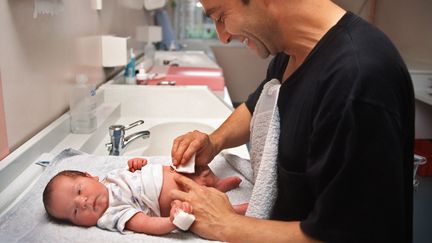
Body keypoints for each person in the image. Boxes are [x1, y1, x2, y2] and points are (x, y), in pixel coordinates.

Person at [169, 0, 414, 242]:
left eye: (221, 17)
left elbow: (345, 235)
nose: (223, 37)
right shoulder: (293, 52)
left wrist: (225, 224)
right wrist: (214, 141)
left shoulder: (356, 80)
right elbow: (258, 108)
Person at [42, 157, 246, 235]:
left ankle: (217, 185)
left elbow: (134, 175)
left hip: (177, 174)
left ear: (90, 176)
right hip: (178, 197)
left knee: (192, 162)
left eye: (79, 191)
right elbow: (146, 224)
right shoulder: (112, 214)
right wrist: (170, 221)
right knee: (200, 210)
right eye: (75, 211)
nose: (83, 202)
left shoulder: (109, 179)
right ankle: (233, 211)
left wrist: (136, 165)